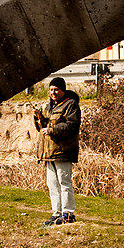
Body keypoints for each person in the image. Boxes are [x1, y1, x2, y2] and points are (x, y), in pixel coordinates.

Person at [32, 76, 81, 226]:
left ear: (62, 90)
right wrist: (38, 118)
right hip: (49, 153)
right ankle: (56, 213)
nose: (53, 92)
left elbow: (72, 126)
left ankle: (68, 214)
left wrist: (52, 130)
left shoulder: (71, 105)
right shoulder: (49, 106)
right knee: (52, 184)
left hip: (63, 151)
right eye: (51, 90)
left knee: (64, 182)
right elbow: (42, 129)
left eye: (56, 90)